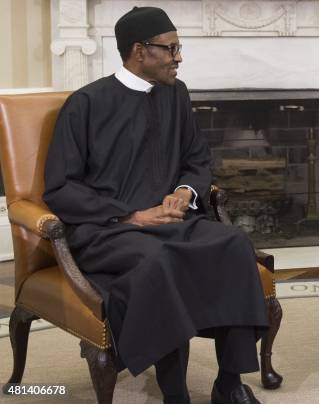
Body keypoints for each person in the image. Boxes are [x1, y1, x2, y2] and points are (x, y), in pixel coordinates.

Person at [43, 6, 266, 404]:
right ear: (139, 51)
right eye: (171, 48)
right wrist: (132, 215)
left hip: (172, 221)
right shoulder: (86, 104)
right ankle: (175, 393)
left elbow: (197, 160)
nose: (179, 56)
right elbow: (60, 188)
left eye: (179, 47)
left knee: (234, 243)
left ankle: (229, 383)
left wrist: (184, 192)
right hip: (109, 229)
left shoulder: (175, 94)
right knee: (161, 261)